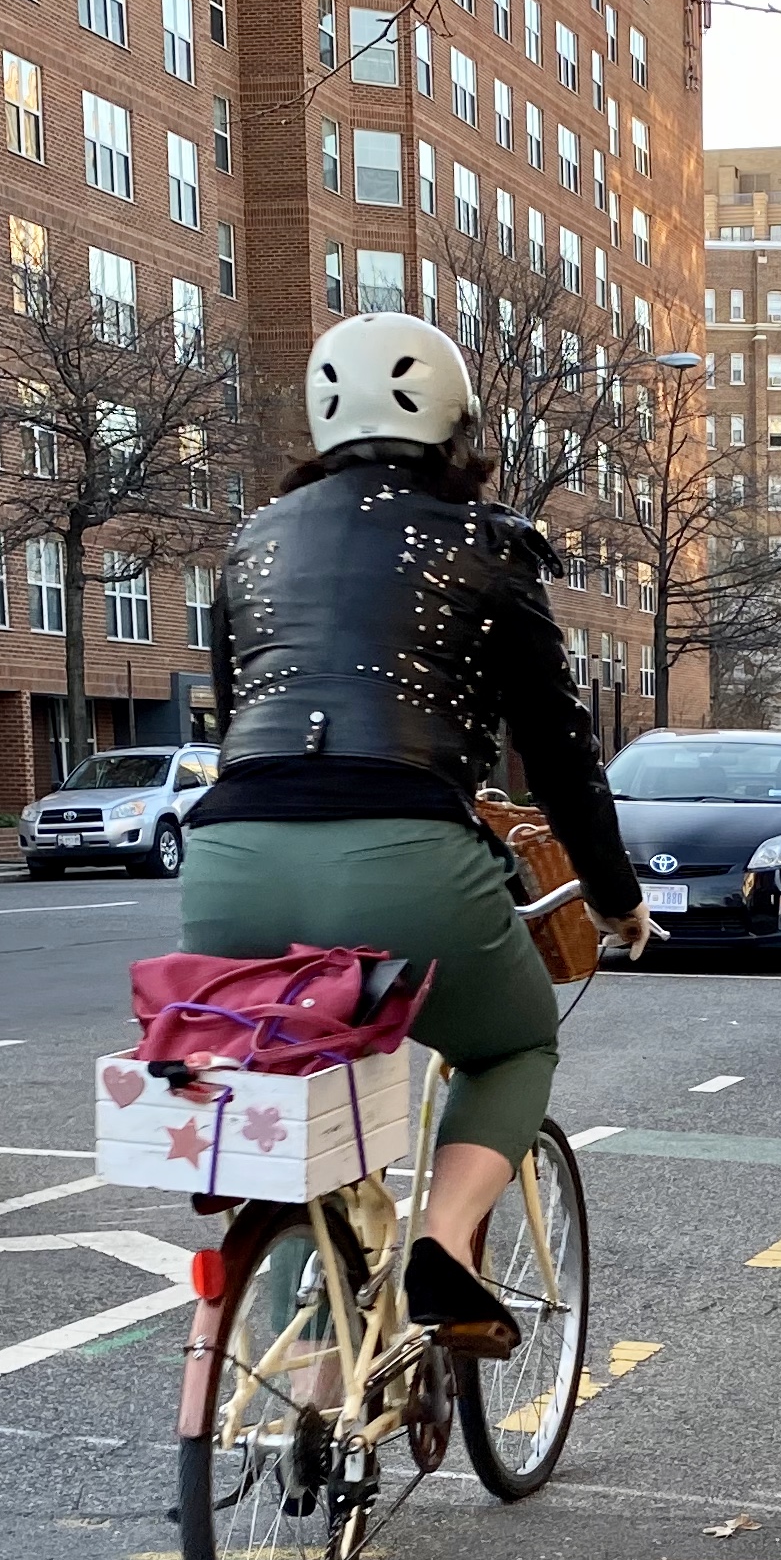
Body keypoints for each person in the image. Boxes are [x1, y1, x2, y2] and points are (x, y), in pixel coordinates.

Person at [184, 311, 653, 1356]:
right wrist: (615, 896)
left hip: (229, 862)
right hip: (406, 856)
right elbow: (560, 753)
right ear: (457, 429)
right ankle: (444, 1245)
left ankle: (310, 1389)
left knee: (298, 1093)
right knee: (515, 1043)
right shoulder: (487, 545)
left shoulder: (251, 542)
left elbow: (233, 715)